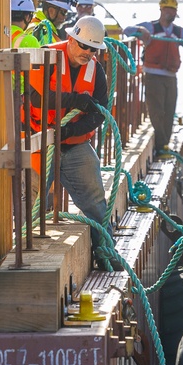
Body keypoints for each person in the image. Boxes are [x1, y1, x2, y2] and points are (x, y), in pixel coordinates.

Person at [28, 14, 110, 231]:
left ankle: (105, 249)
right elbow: (36, 97)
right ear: (71, 39)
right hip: (41, 142)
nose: (88, 53)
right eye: (84, 46)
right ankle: (26, 248)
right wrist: (76, 100)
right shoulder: (46, 55)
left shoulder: (96, 70)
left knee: (96, 202)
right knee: (33, 204)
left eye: (94, 49)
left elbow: (100, 112)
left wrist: (71, 130)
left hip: (75, 144)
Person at [123, 0, 183, 156]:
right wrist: (139, 30)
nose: (171, 13)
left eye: (174, 10)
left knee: (169, 109)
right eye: (169, 9)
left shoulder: (178, 32)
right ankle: (161, 145)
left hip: (171, 77)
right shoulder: (151, 28)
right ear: (161, 9)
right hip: (153, 76)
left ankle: (164, 144)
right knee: (156, 110)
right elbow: (127, 30)